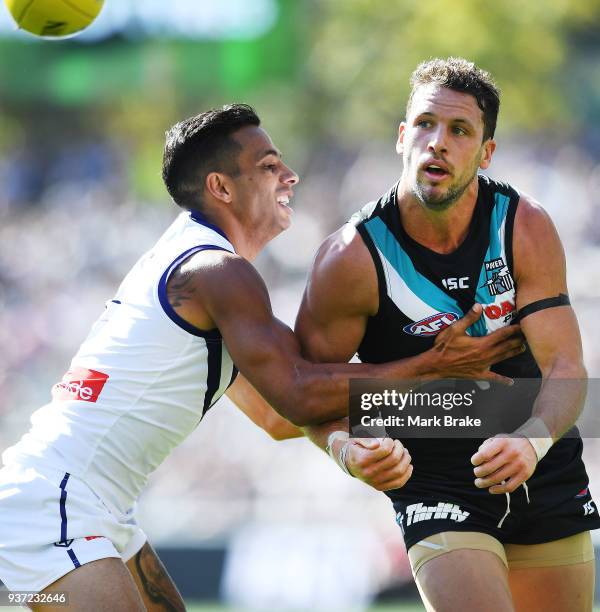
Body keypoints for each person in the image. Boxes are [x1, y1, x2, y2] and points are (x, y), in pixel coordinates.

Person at [0, 104, 522, 611]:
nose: (290, 176)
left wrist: (366, 438)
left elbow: (277, 415)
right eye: (269, 166)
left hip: (82, 503)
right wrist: (434, 367)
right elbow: (297, 391)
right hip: (56, 502)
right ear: (221, 188)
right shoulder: (219, 271)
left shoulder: (200, 266)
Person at [296, 58, 600, 611]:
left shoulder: (523, 225)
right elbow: (305, 393)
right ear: (401, 136)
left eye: (459, 130)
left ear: (486, 153)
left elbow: (566, 369)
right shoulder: (350, 258)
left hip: (539, 454)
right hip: (432, 473)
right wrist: (345, 448)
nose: (438, 143)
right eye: (425, 124)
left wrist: (531, 441)